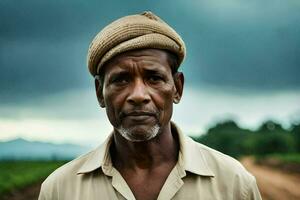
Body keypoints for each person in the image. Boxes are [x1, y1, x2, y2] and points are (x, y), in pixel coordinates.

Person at [38, 11, 262, 200]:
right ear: (100, 92)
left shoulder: (234, 185)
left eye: (154, 78)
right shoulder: (60, 190)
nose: (138, 95)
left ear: (177, 88)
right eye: (121, 79)